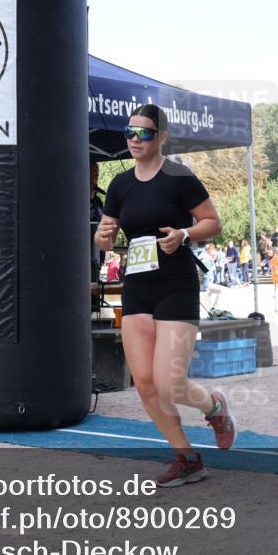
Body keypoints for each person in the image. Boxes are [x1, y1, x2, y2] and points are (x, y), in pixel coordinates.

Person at [93, 104, 236, 487]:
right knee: (144, 381)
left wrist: (185, 235)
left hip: (176, 284)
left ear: (162, 137)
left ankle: (214, 407)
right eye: (129, 132)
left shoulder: (179, 177)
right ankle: (187, 458)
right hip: (138, 285)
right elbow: (105, 232)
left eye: (144, 133)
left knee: (169, 380)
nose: (134, 140)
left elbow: (213, 222)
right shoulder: (121, 184)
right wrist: (102, 237)